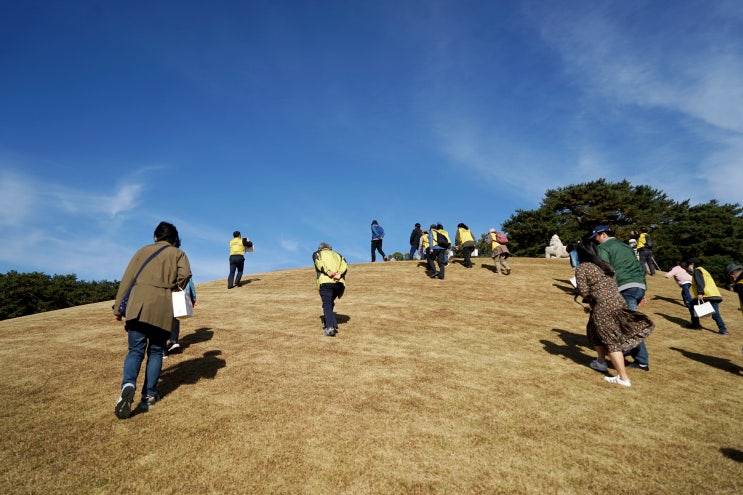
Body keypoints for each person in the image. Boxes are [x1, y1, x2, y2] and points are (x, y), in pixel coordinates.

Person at [113, 221, 192, 419]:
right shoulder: (178, 254)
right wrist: (173, 286)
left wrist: (117, 307)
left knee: (135, 350)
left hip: (137, 307)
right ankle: (148, 394)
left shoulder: (142, 251)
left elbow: (127, 279)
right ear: (174, 239)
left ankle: (128, 384)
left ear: (156, 237)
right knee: (156, 351)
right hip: (163, 308)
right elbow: (186, 274)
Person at [574, 241, 654, 387]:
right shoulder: (605, 265)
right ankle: (601, 362)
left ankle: (623, 377)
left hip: (603, 307)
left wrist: (585, 294)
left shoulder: (582, 268)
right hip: (617, 302)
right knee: (593, 330)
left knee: (610, 340)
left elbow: (584, 291)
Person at [590, 225, 650, 371]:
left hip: (624, 286)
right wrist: (642, 290)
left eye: (596, 237)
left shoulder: (604, 247)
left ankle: (641, 360)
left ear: (602, 234)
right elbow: (637, 266)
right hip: (638, 285)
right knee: (623, 320)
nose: (596, 241)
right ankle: (625, 350)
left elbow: (604, 268)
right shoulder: (625, 246)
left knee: (629, 324)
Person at [313, 242, 348, 337]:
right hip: (339, 283)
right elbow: (345, 265)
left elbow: (318, 263)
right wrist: (339, 274)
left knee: (327, 303)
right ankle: (328, 322)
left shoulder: (317, 253)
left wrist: (328, 272)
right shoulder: (338, 255)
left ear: (320, 248)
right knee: (329, 303)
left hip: (326, 282)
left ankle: (330, 328)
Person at [687, 258, 729, 335]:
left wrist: (700, 293)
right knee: (715, 314)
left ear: (692, 264)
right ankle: (723, 330)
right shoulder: (704, 271)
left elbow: (700, 282)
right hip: (714, 294)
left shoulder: (697, 270)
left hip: (706, 295)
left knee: (691, 305)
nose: (688, 266)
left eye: (688, 264)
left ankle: (696, 325)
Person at [166, 278, 196, 355]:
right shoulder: (182, 267)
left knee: (165, 320)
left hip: (165, 296)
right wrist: (193, 299)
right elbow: (189, 282)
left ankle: (164, 349)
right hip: (177, 296)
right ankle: (173, 342)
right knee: (173, 320)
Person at [664, 260, 695, 327]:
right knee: (683, 293)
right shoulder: (683, 268)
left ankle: (690, 303)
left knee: (686, 293)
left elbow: (671, 273)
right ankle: (687, 303)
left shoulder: (676, 268)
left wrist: (667, 275)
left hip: (684, 282)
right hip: (690, 281)